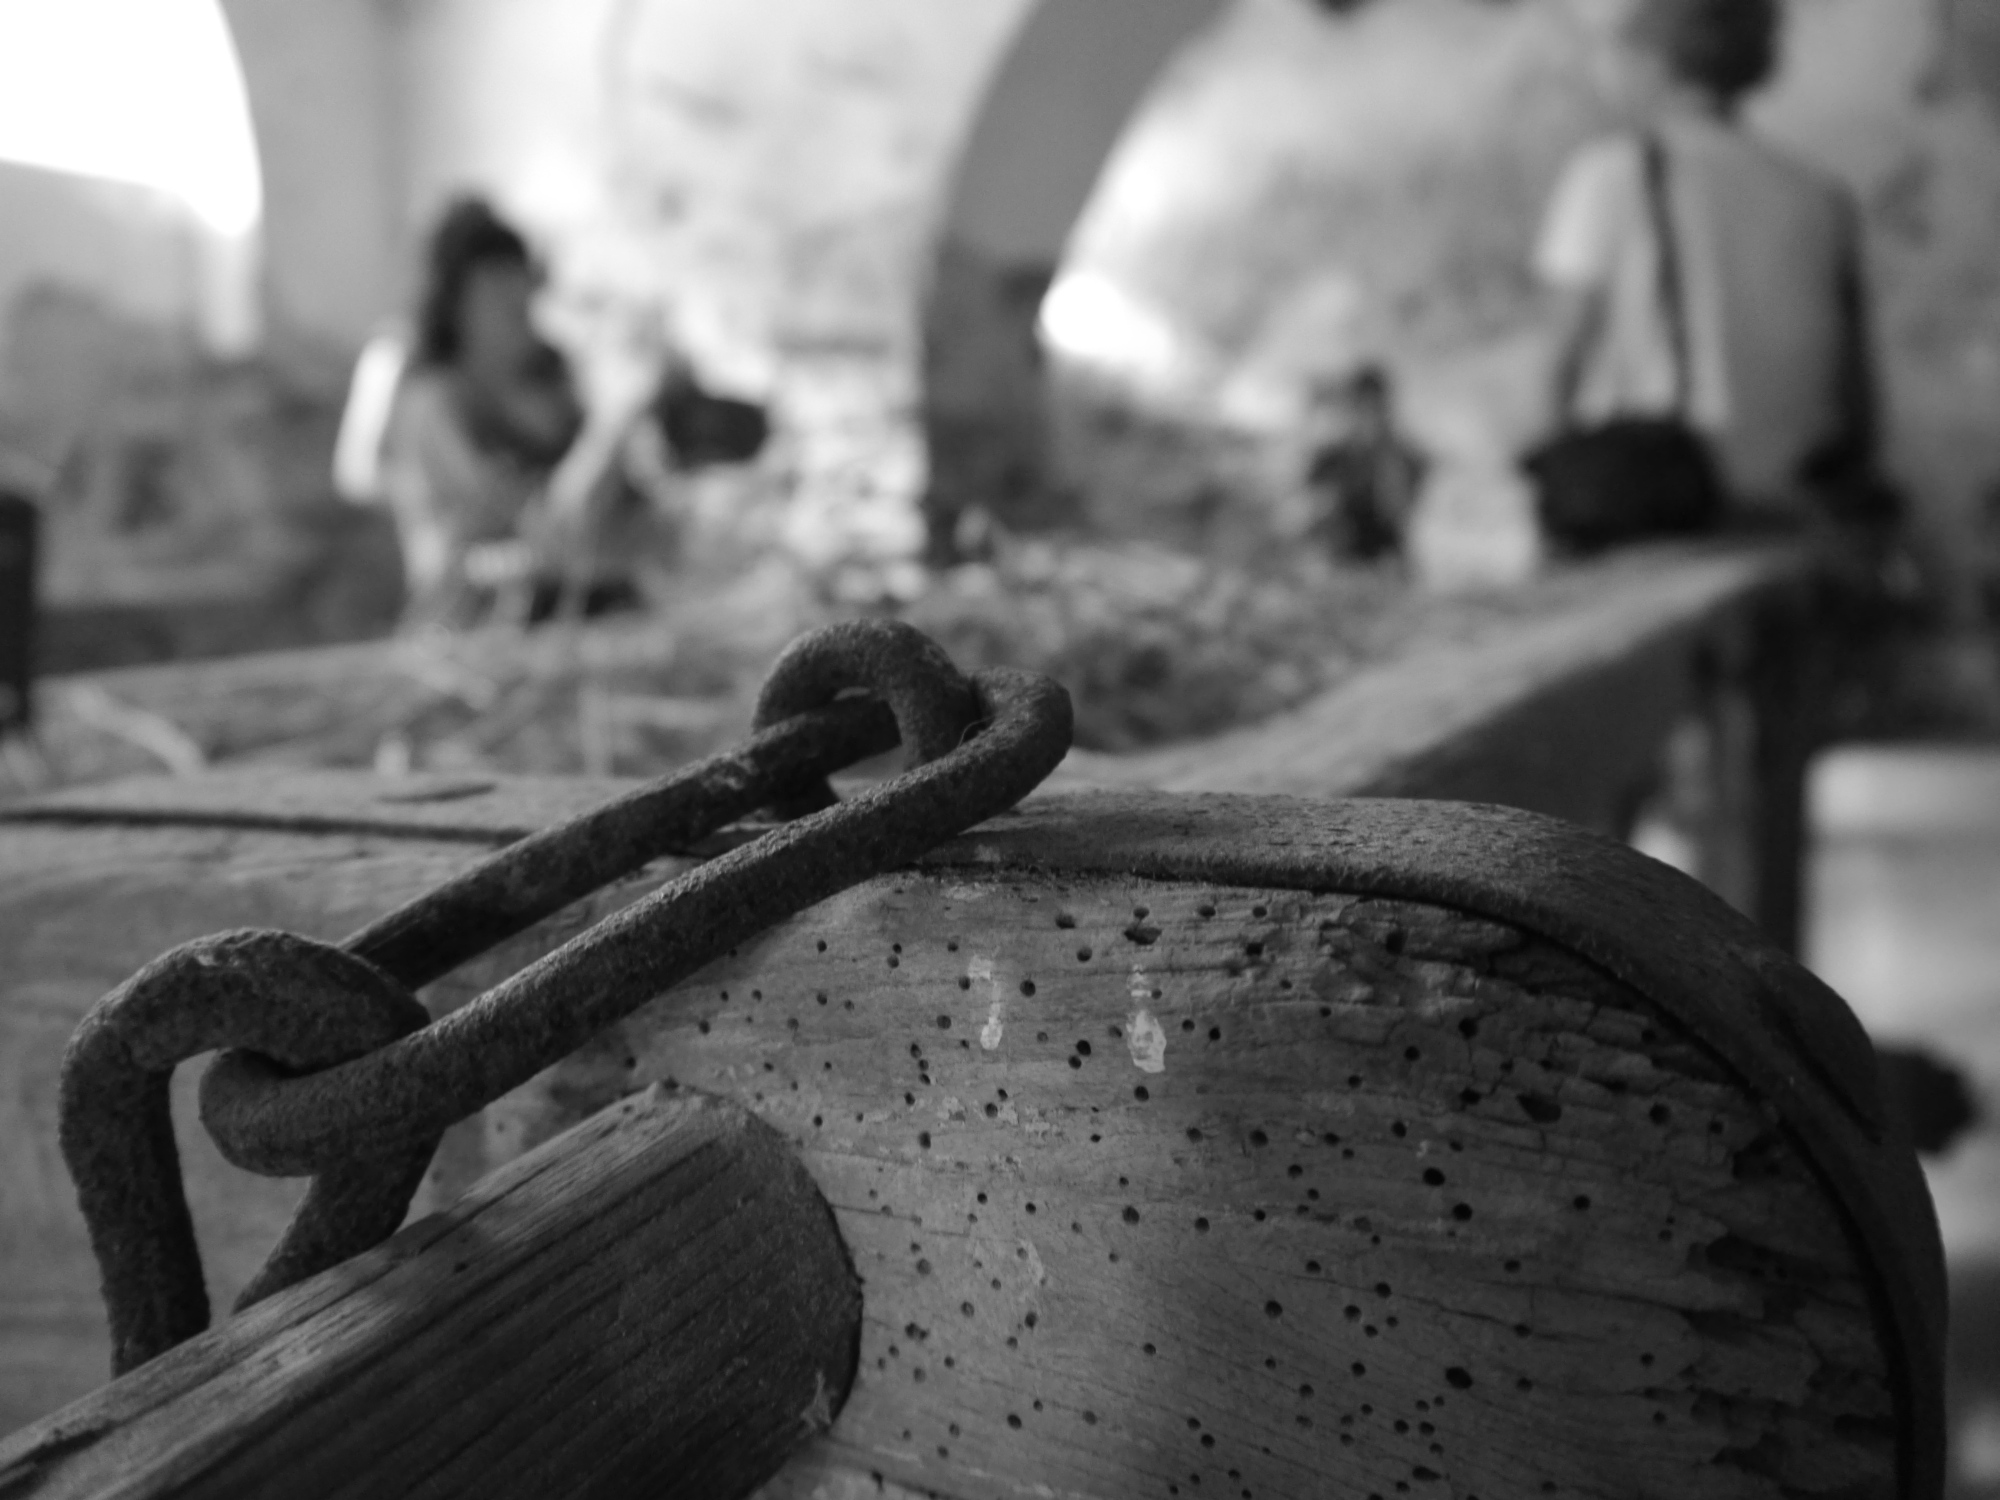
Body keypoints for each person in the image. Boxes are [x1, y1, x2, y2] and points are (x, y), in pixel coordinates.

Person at [1534, 0, 1882, 526]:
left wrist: (1552, 489)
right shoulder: (1821, 196)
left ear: (1653, 61)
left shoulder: (1608, 175)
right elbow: (1858, 400)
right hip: (1798, 501)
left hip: (1666, 502)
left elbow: (1561, 362)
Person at [352, 197, 587, 630]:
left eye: (519, 292)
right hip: (476, 614)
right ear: (457, 299)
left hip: (561, 606)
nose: (514, 307)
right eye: (496, 293)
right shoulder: (427, 392)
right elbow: (363, 474)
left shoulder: (550, 379)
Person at [1302, 364, 1426, 563]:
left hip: (1383, 562)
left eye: (1374, 409)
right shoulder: (1330, 460)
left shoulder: (1405, 459)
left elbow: (1397, 512)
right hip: (1335, 561)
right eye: (1360, 407)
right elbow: (1307, 513)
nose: (1367, 418)